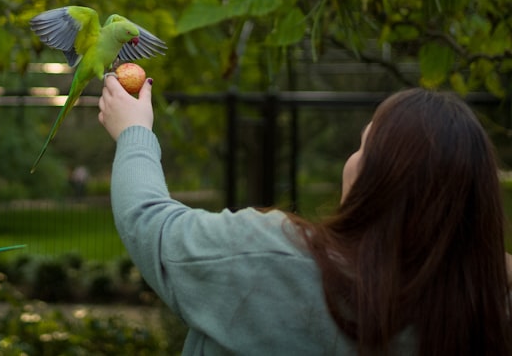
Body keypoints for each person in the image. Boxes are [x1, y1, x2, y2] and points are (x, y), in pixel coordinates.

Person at [99, 77, 512, 355]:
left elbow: (149, 222)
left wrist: (134, 131)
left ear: (379, 179)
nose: (353, 159)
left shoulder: (275, 259)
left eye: (365, 147)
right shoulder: (484, 306)